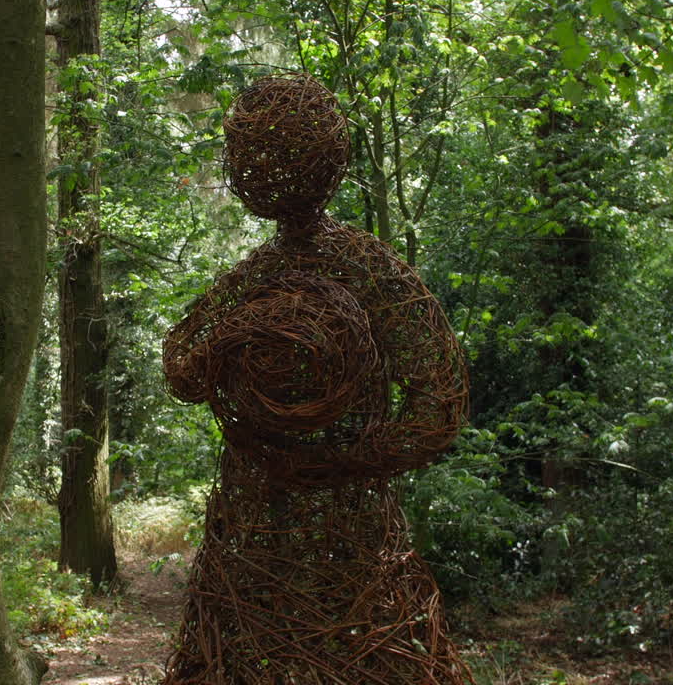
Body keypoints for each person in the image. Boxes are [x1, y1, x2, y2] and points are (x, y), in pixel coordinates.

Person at [161, 73, 472, 685]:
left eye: (268, 155)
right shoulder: (260, 274)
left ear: (328, 159)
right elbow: (185, 370)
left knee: (346, 641)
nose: (257, 168)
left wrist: (337, 462)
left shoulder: (365, 269)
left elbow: (437, 410)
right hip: (253, 520)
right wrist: (236, 341)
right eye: (248, 156)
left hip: (345, 520)